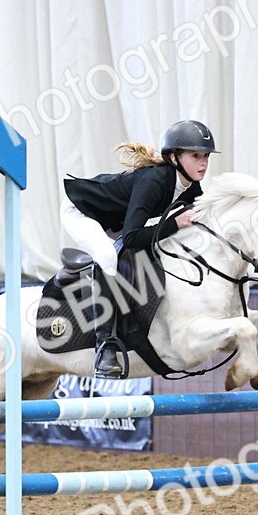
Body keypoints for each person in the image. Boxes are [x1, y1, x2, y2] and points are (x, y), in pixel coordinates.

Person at [60, 120, 218, 378]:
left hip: (115, 219)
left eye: (206, 156)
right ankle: (105, 346)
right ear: (175, 158)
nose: (203, 163)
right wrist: (174, 224)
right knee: (109, 257)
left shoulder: (191, 186)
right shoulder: (154, 181)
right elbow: (132, 237)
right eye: (195, 155)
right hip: (81, 211)